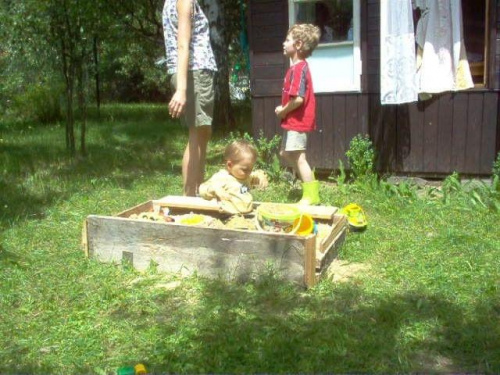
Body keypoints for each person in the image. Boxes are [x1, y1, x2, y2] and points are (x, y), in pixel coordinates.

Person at [162, 0, 217, 196]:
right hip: (195, 72)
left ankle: (196, 193)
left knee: (202, 134)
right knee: (197, 136)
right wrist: (182, 90)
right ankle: (190, 199)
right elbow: (183, 45)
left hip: (192, 73)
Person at [275, 24, 321, 205]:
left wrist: (282, 110)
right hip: (292, 121)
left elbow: (298, 100)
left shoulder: (299, 69)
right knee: (285, 153)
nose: (284, 43)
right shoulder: (295, 69)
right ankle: (308, 184)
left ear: (299, 44)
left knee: (299, 158)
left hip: (298, 121)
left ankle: (311, 196)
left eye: (288, 40)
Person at [199, 140, 268, 214]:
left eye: (251, 169)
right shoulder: (222, 177)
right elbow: (202, 189)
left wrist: (262, 177)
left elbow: (257, 174)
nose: (249, 172)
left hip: (245, 214)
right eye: (245, 169)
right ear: (230, 165)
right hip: (225, 216)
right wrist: (215, 189)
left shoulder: (246, 177)